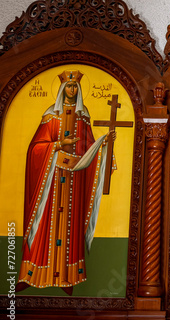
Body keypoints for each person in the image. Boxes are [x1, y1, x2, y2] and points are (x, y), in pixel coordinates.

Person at [16, 70, 114, 296]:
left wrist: (103, 144)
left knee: (71, 226)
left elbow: (89, 150)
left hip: (74, 183)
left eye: (75, 88)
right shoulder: (51, 116)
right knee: (44, 225)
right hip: (49, 183)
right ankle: (31, 275)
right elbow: (35, 149)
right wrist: (58, 144)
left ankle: (68, 277)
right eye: (69, 87)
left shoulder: (83, 117)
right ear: (62, 90)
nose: (72, 90)